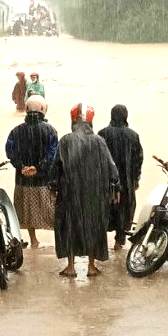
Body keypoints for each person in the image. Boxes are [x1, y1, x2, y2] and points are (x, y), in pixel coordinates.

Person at [52, 103, 119, 278]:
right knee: (93, 226)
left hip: (70, 192)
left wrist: (53, 187)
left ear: (73, 120)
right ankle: (91, 266)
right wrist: (116, 186)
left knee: (69, 226)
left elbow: (56, 167)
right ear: (90, 121)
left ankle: (71, 267)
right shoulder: (99, 141)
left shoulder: (66, 141)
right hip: (95, 193)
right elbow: (112, 168)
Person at [5, 95, 58, 249]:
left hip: (23, 180)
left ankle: (33, 240)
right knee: (51, 212)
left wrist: (21, 166)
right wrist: (38, 168)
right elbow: (52, 154)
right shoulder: (50, 130)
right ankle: (57, 242)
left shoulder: (16, 131)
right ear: (43, 109)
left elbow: (10, 151)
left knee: (27, 212)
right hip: (44, 181)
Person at [97, 104, 143, 250]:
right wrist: (136, 178)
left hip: (106, 179)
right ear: (125, 116)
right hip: (126, 179)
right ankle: (119, 241)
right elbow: (138, 159)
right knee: (124, 208)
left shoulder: (102, 134)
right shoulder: (132, 135)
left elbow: (97, 158)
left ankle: (100, 242)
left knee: (104, 208)